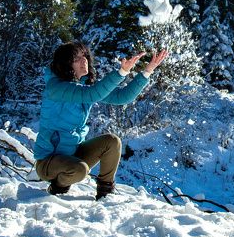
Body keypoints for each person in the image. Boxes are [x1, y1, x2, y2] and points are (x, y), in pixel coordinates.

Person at [33, 41, 167, 199]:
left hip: (73, 154)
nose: (84, 61)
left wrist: (147, 71)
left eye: (85, 57)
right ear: (66, 64)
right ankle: (57, 188)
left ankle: (105, 194)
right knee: (79, 170)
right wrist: (121, 72)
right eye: (77, 58)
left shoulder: (84, 87)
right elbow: (92, 94)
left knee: (112, 141)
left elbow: (122, 97)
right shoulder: (56, 87)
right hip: (49, 162)